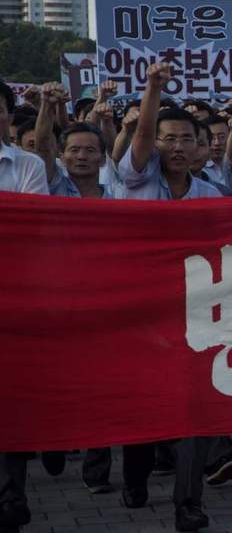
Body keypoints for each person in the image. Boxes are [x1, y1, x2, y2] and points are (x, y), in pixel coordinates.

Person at [118, 63, 225, 532]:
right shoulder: (136, 180)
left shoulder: (212, 195)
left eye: (186, 139)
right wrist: (153, 89)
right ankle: (135, 476)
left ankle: (188, 502)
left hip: (195, 317)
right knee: (144, 411)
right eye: (168, 139)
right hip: (139, 317)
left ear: (200, 146)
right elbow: (141, 133)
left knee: (192, 412)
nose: (177, 147)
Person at [0, 78, 46, 533]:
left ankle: (11, 497)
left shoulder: (27, 165)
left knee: (7, 403)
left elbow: (27, 229)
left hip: (12, 299)